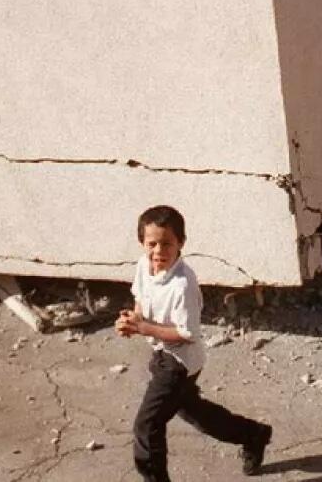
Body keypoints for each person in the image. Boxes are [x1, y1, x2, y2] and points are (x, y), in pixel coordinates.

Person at [116, 205, 272, 481]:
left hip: (179, 361)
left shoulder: (183, 285)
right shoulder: (144, 266)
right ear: (142, 243)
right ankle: (253, 434)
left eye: (167, 243)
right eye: (152, 244)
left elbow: (186, 333)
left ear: (181, 243)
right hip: (163, 354)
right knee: (195, 413)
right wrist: (133, 320)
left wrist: (143, 328)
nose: (158, 251)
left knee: (147, 425)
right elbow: (141, 300)